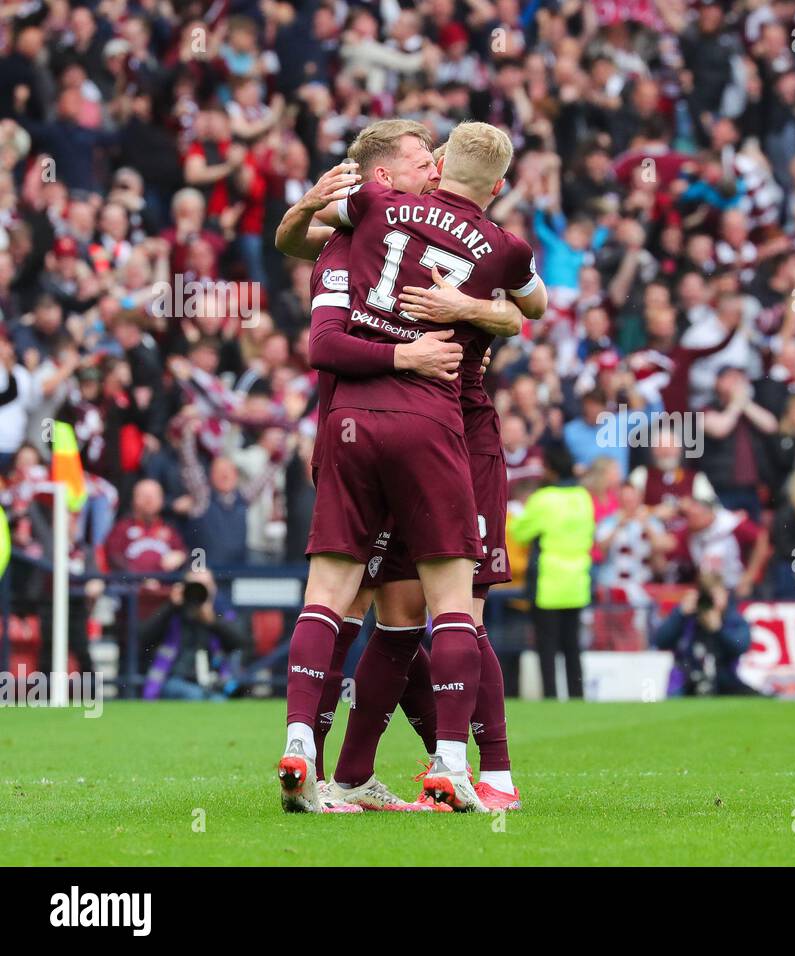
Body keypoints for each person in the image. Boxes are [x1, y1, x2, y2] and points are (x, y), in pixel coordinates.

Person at [276, 120, 546, 813]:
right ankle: (453, 766)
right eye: (416, 160)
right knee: (435, 609)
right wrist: (434, 336)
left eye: (435, 159)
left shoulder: (370, 221)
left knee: (383, 613)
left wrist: (472, 308)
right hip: (430, 426)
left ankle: (333, 757)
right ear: (383, 177)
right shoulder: (386, 236)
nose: (428, 168)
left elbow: (527, 313)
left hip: (371, 429)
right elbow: (535, 304)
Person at [513, 444, 595, 700]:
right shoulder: (584, 497)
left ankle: (550, 696)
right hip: (577, 579)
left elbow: (520, 533)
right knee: (572, 646)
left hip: (548, 581)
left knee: (547, 647)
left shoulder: (543, 499)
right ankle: (577, 695)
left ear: (550, 469)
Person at [140, 569, 248, 700]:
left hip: (214, 681)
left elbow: (240, 644)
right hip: (174, 680)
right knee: (196, 695)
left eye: (204, 586)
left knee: (217, 700)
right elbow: (143, 638)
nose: (199, 592)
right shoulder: (173, 613)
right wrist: (171, 606)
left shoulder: (222, 614)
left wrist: (213, 622)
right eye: (194, 587)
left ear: (213, 588)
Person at [652, 572, 758, 696]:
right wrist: (679, 613)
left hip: (724, 680)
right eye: (707, 596)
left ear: (725, 595)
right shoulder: (687, 618)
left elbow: (741, 646)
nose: (710, 602)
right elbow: (660, 641)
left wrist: (719, 629)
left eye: (715, 596)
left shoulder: (733, 619)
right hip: (688, 680)